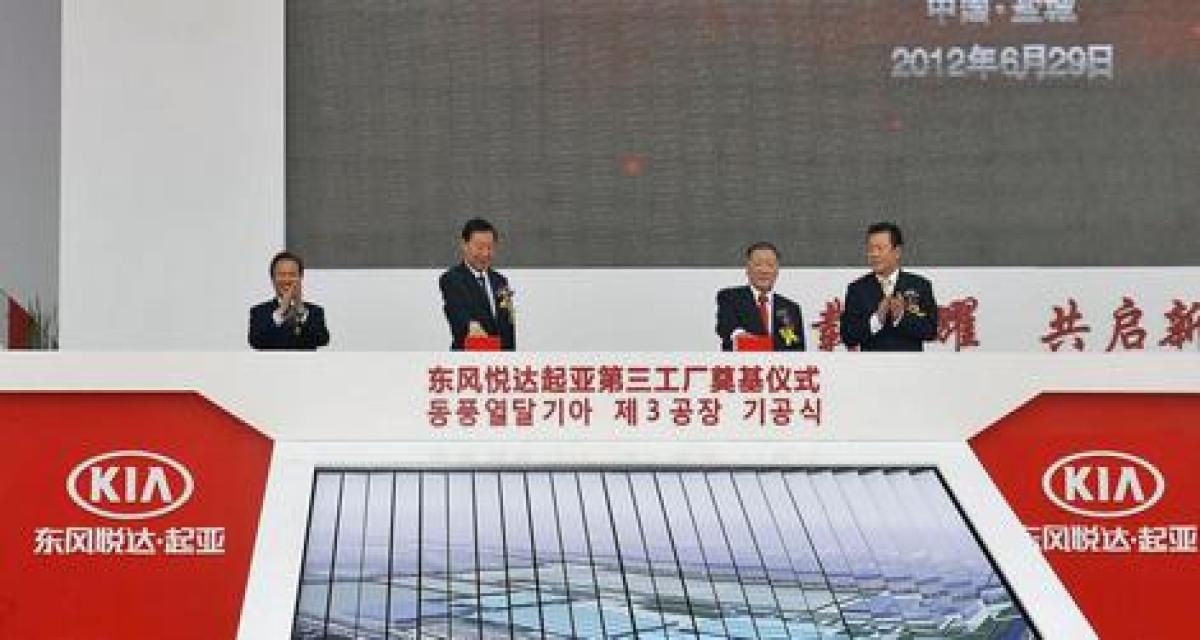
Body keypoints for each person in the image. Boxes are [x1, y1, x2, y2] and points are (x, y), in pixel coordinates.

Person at [840, 222, 937, 351]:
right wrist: (877, 320)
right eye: (870, 249)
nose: (874, 254)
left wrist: (901, 317)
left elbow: (931, 331)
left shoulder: (920, 285)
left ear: (897, 252)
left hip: (909, 363)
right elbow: (848, 337)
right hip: (871, 363)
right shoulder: (857, 289)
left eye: (880, 248)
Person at [439, 218, 516, 350]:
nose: (485, 253)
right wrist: (470, 325)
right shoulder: (451, 279)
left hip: (500, 358)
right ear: (464, 244)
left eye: (490, 247)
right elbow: (456, 312)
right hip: (468, 357)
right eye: (479, 247)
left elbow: (508, 325)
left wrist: (511, 357)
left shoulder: (500, 281)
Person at [716, 241, 805, 351]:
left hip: (779, 362)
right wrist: (742, 337)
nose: (764, 271)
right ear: (747, 269)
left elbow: (796, 347)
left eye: (770, 265)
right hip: (743, 360)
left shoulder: (790, 308)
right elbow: (726, 327)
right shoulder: (730, 297)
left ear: (777, 271)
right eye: (758, 265)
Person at [248, 250, 330, 350]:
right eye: (281, 275)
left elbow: (322, 340)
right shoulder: (259, 312)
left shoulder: (315, 311)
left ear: (301, 277)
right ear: (272, 279)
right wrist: (281, 311)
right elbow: (255, 341)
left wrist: (300, 310)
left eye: (292, 275)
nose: (287, 280)